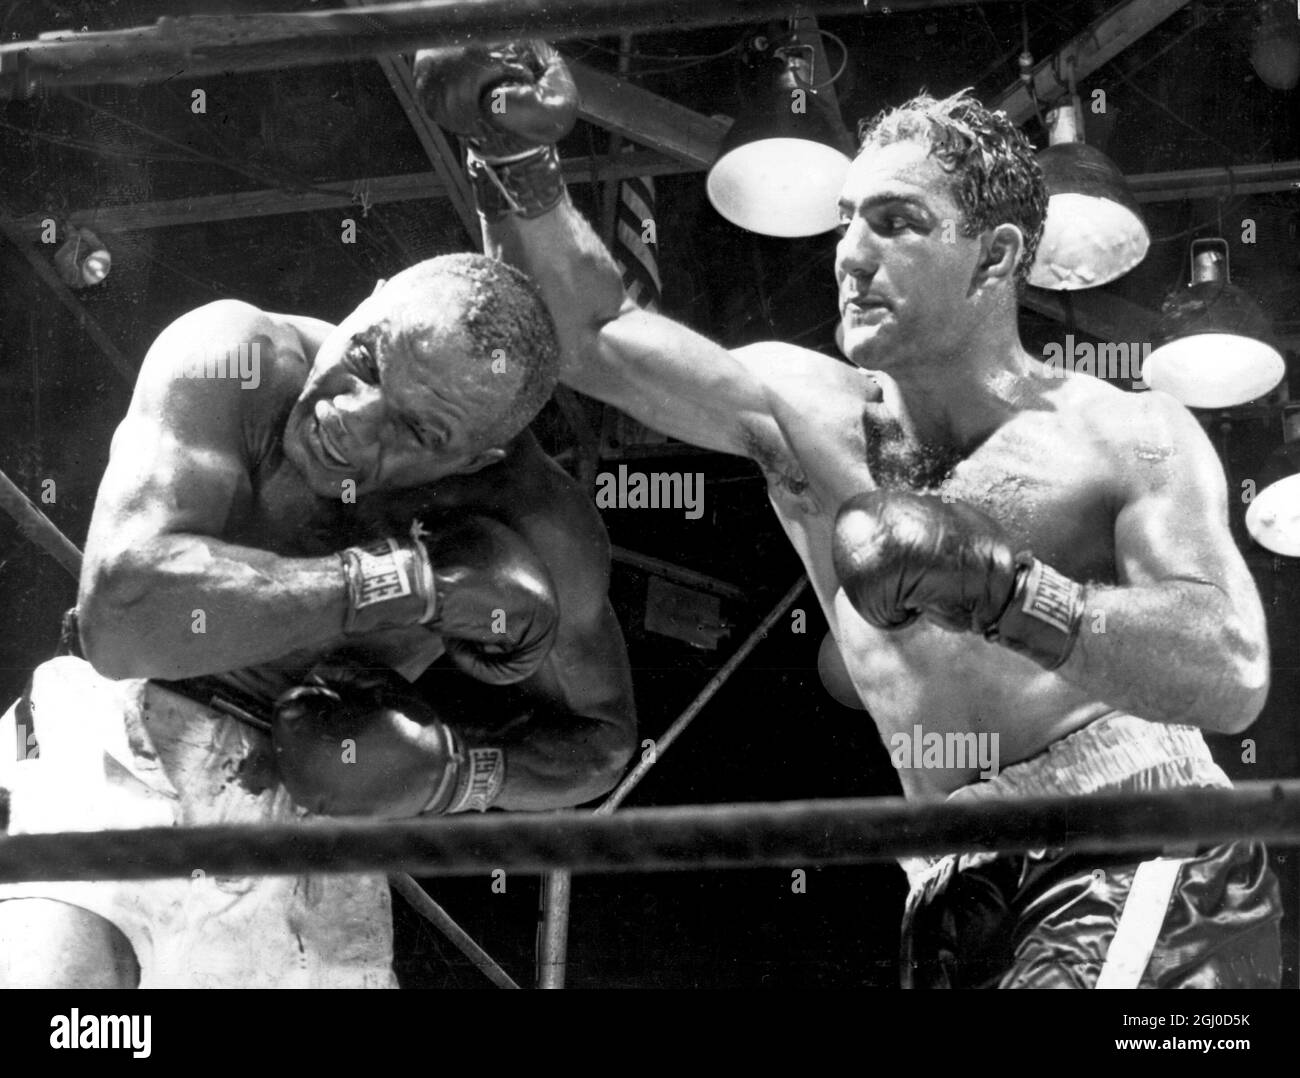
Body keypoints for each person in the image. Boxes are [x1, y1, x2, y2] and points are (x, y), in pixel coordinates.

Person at [415, 43, 1282, 988]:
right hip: (952, 877)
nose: (851, 254)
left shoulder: (1125, 431)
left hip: (1139, 839)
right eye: (844, 222)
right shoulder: (804, 412)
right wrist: (512, 160)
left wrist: (1009, 591)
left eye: (897, 221)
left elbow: (1230, 671)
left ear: (994, 256)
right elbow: (586, 340)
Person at [0, 251, 636, 988]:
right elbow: (121, 619)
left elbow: (603, 745)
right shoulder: (235, 358)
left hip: (309, 809)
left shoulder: (540, 526)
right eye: (365, 358)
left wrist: (453, 773)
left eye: (415, 431)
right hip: (118, 741)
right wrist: (391, 581)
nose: (350, 414)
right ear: (369, 300)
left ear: (477, 458)